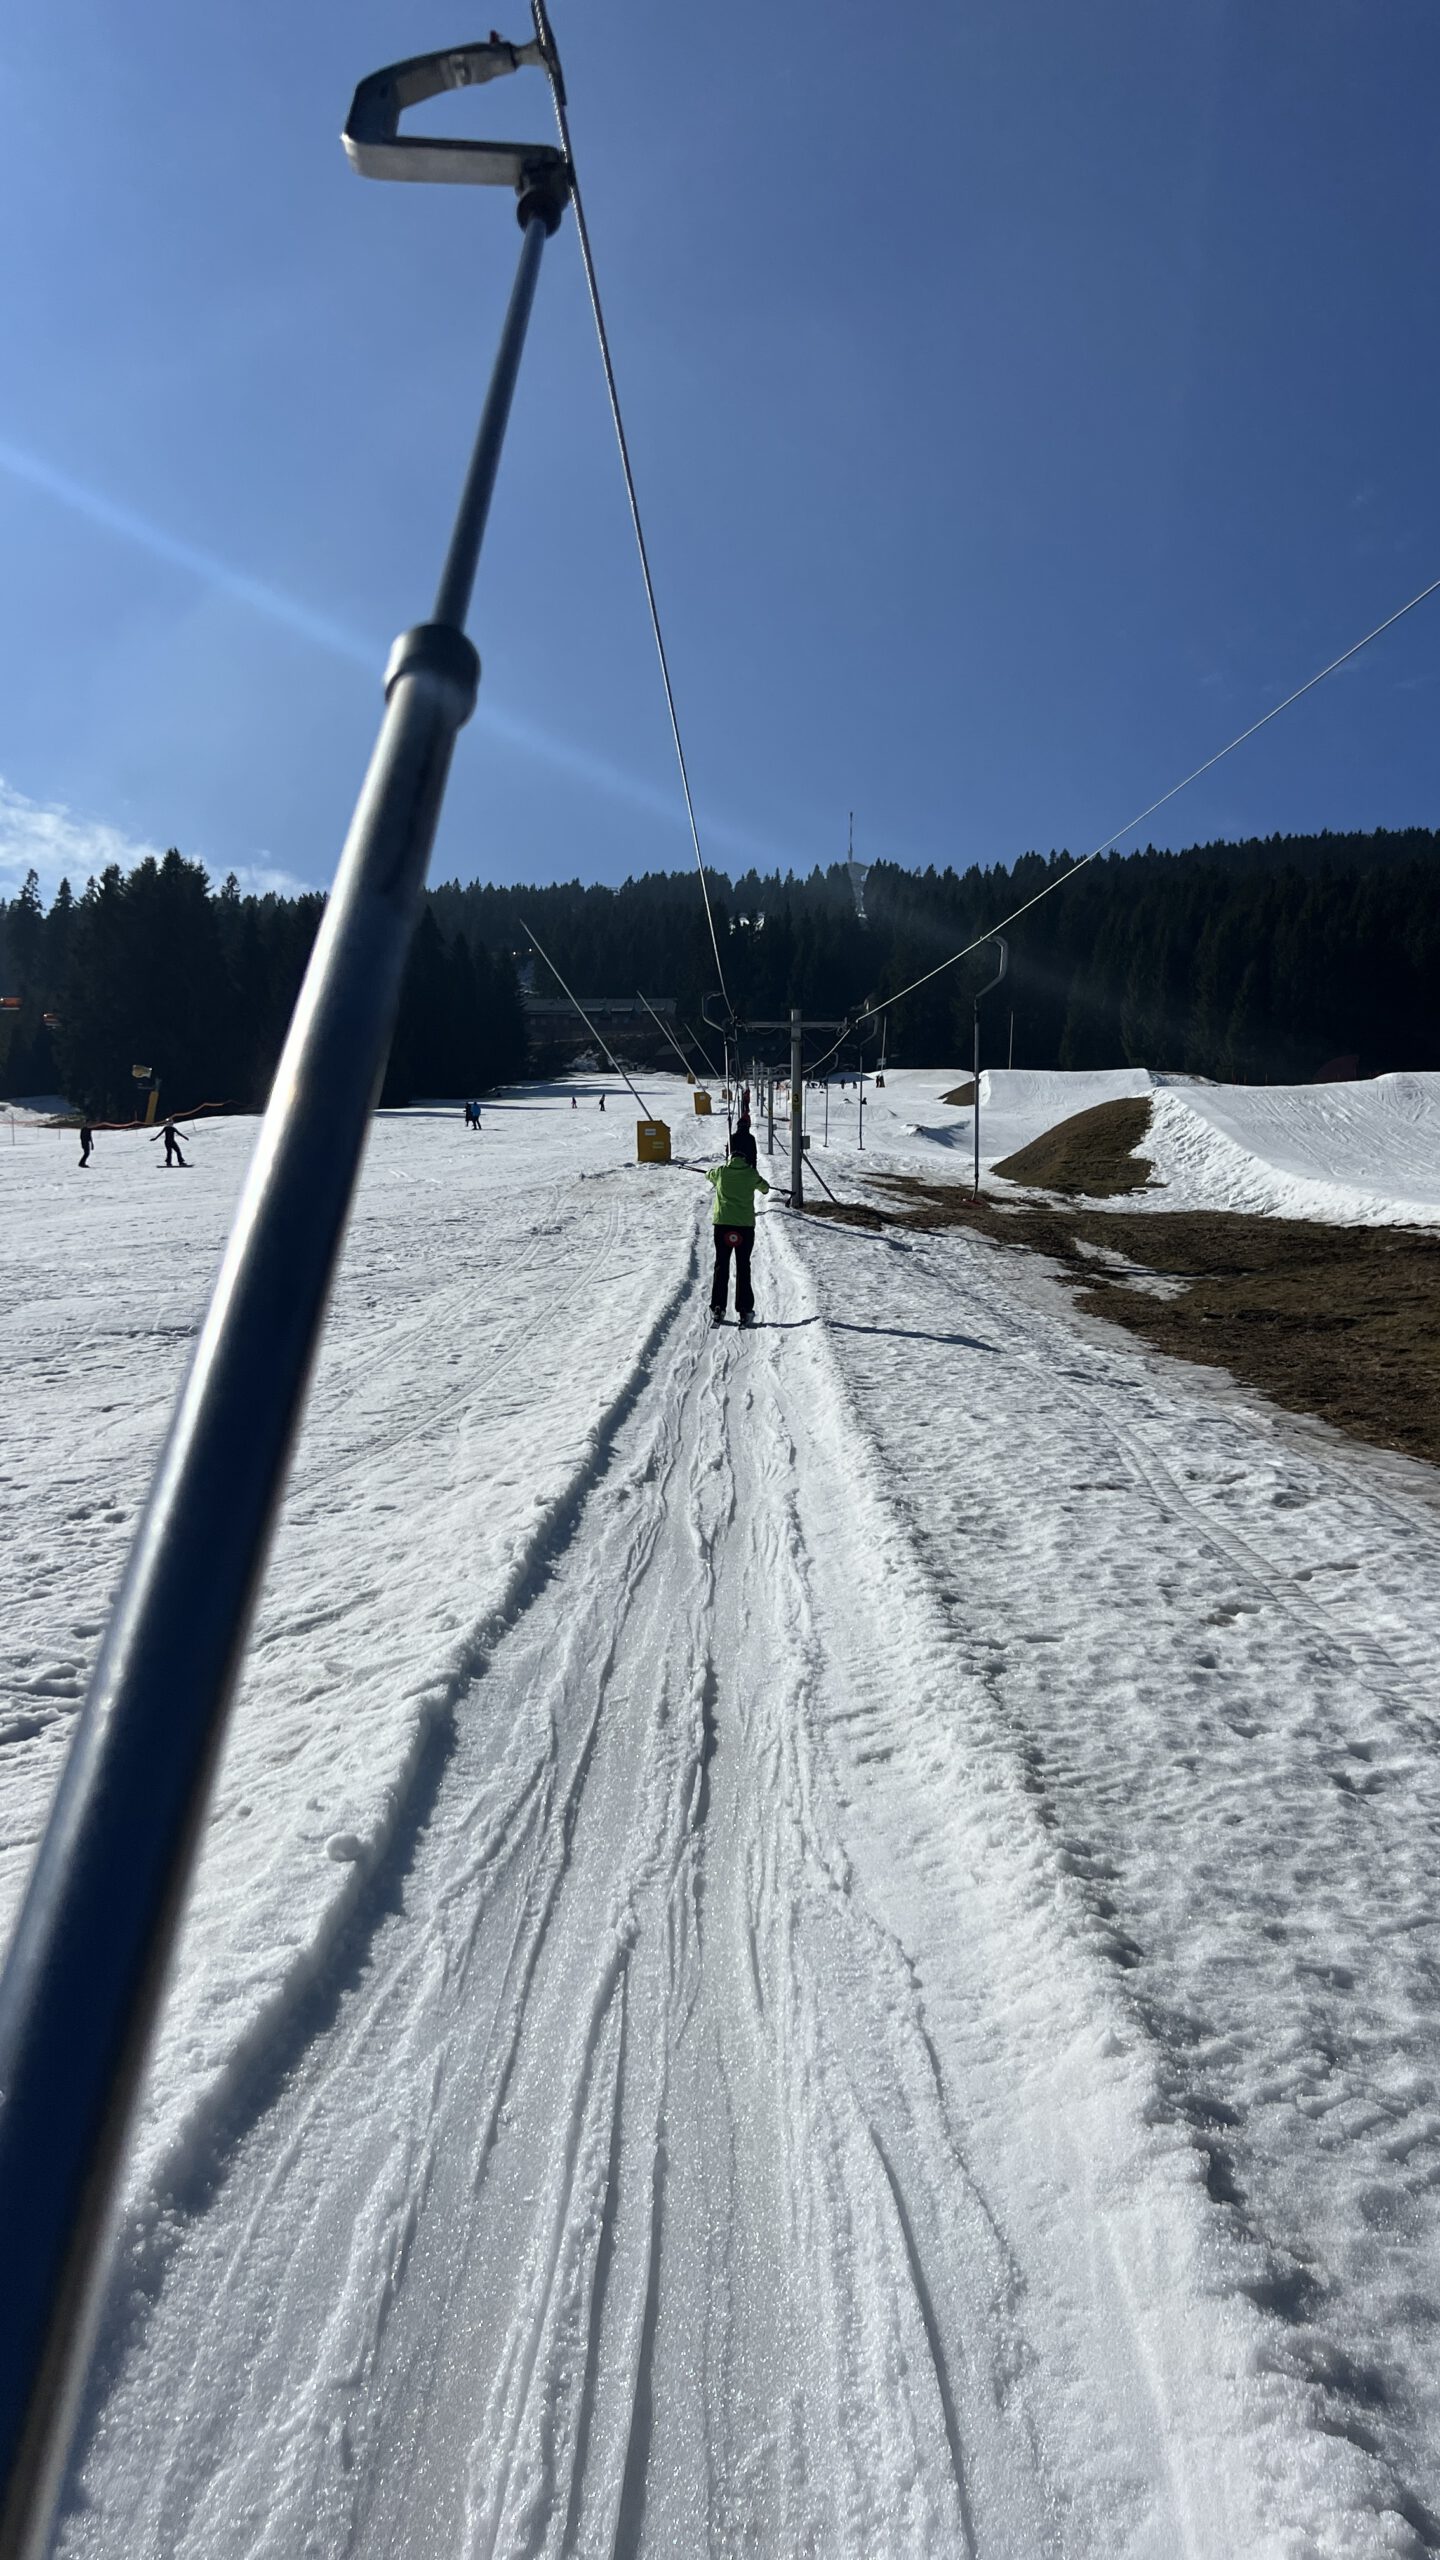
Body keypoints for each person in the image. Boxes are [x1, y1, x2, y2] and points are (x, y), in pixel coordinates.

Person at [706, 1132, 770, 1326]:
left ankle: (718, 1307)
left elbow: (709, 1175)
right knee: (743, 1266)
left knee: (721, 1265)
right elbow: (765, 1188)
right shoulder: (750, 1173)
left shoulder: (721, 1172)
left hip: (722, 1225)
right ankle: (744, 1309)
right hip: (744, 1227)